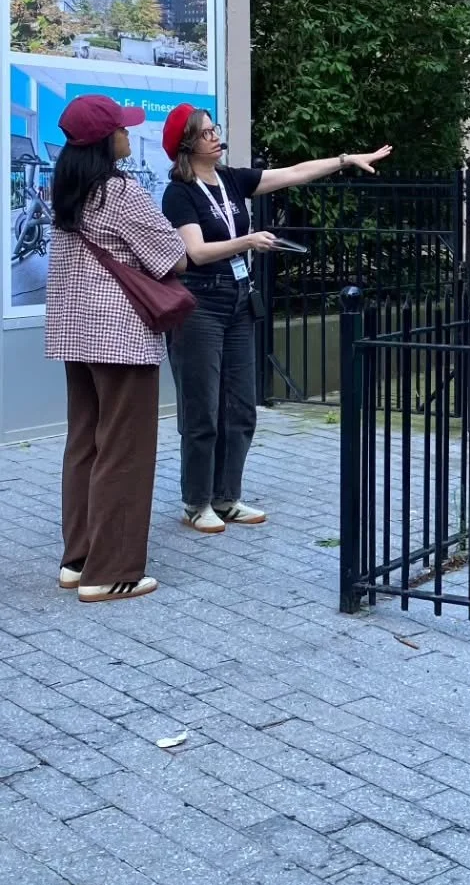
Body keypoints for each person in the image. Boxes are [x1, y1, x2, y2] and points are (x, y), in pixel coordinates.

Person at [160, 104, 392, 533]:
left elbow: (295, 172)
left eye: (216, 129)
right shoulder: (180, 193)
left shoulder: (231, 180)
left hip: (238, 302)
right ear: (187, 145)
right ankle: (197, 502)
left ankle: (227, 497)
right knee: (203, 412)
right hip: (201, 306)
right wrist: (247, 240)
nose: (216, 137)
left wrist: (345, 160)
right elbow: (194, 253)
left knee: (242, 407)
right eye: (207, 132)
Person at [45, 94, 188, 603]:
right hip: (121, 335)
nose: (129, 133)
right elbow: (174, 258)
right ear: (108, 140)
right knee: (125, 450)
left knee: (84, 443)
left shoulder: (65, 188)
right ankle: (112, 571)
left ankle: (78, 559)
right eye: (123, 128)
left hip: (74, 334)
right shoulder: (120, 191)